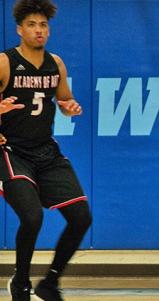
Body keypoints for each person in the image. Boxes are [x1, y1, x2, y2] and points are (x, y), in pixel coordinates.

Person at [0, 0, 92, 300]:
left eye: (43, 25)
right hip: (11, 151)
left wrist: (69, 107)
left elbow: (64, 100)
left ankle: (50, 282)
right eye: (32, 25)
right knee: (31, 217)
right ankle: (21, 281)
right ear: (19, 29)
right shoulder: (5, 62)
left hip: (45, 151)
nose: (38, 30)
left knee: (81, 217)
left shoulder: (56, 64)